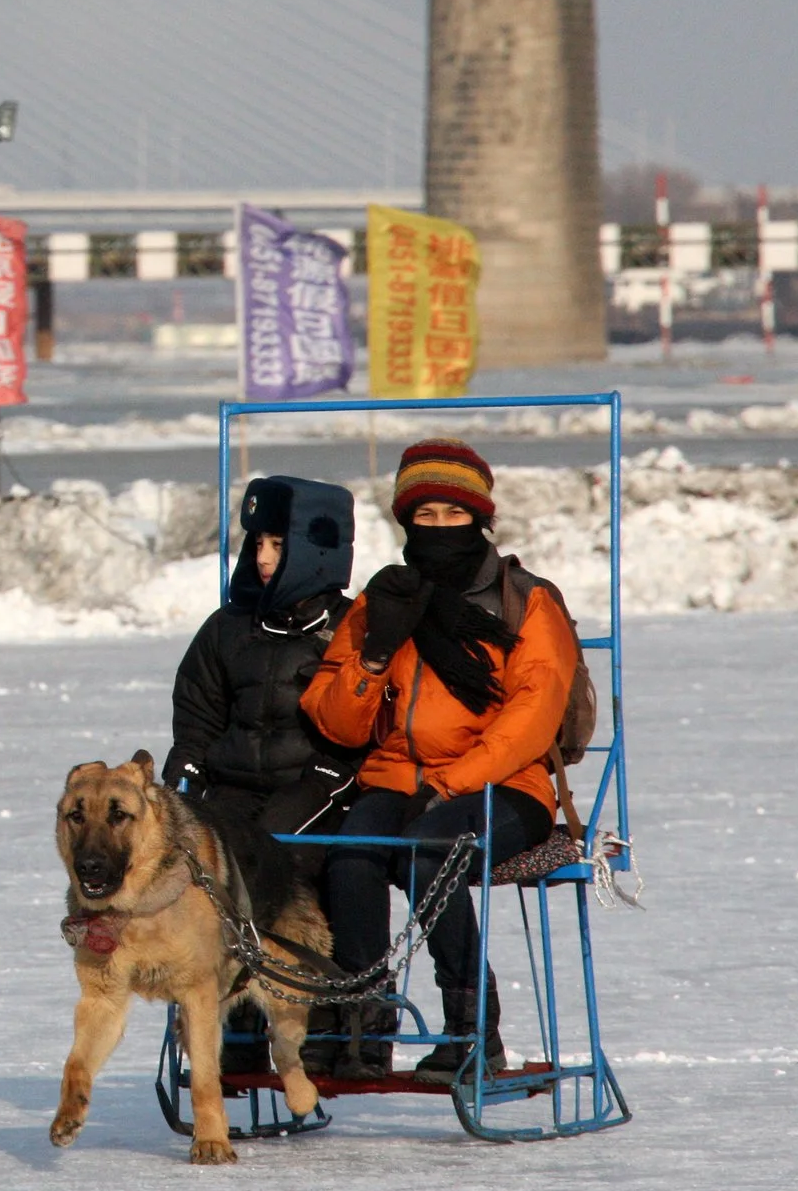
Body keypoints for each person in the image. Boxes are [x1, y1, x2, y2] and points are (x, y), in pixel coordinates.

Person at [301, 439, 578, 1086]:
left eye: (454, 516)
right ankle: (363, 1026)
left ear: (479, 518)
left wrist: (454, 782)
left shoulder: (527, 600)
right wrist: (374, 656)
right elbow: (335, 718)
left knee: (432, 847)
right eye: (424, 517)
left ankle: (472, 1028)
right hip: (396, 776)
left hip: (506, 785)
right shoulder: (383, 599)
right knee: (353, 853)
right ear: (405, 522)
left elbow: (532, 716)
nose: (439, 530)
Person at [166, 474, 364, 1075]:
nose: (263, 557)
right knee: (201, 869)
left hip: (318, 788)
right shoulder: (228, 628)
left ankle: (324, 1025)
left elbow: (365, 725)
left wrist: (326, 781)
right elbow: (196, 718)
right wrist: (184, 776)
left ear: (315, 549)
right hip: (232, 792)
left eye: (278, 545)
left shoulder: (353, 628)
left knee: (286, 865)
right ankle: (232, 1029)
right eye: (257, 544)